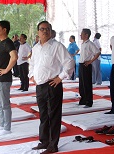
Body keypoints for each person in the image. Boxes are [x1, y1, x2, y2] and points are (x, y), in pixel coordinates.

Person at [29, 21, 74, 154]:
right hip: (40, 86)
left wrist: (60, 77)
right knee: (43, 115)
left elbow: (69, 62)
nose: (45, 31)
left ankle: (53, 145)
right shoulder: (36, 48)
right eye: (42, 29)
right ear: (38, 32)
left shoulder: (57, 46)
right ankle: (44, 141)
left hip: (52, 85)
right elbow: (32, 63)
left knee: (53, 115)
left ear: (50, 31)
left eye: (47, 29)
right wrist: (31, 76)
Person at [0, 20, 18, 134]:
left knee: (5, 104)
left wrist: (7, 70)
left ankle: (7, 128)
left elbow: (14, 57)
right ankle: (2, 124)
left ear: (4, 30)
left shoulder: (8, 43)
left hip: (3, 79)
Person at [78, 28, 101, 108]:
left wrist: (90, 61)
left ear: (86, 35)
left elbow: (97, 53)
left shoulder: (90, 44)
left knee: (87, 83)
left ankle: (89, 101)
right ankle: (83, 99)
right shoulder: (83, 43)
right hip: (81, 64)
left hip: (86, 65)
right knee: (81, 83)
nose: (80, 35)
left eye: (82, 33)